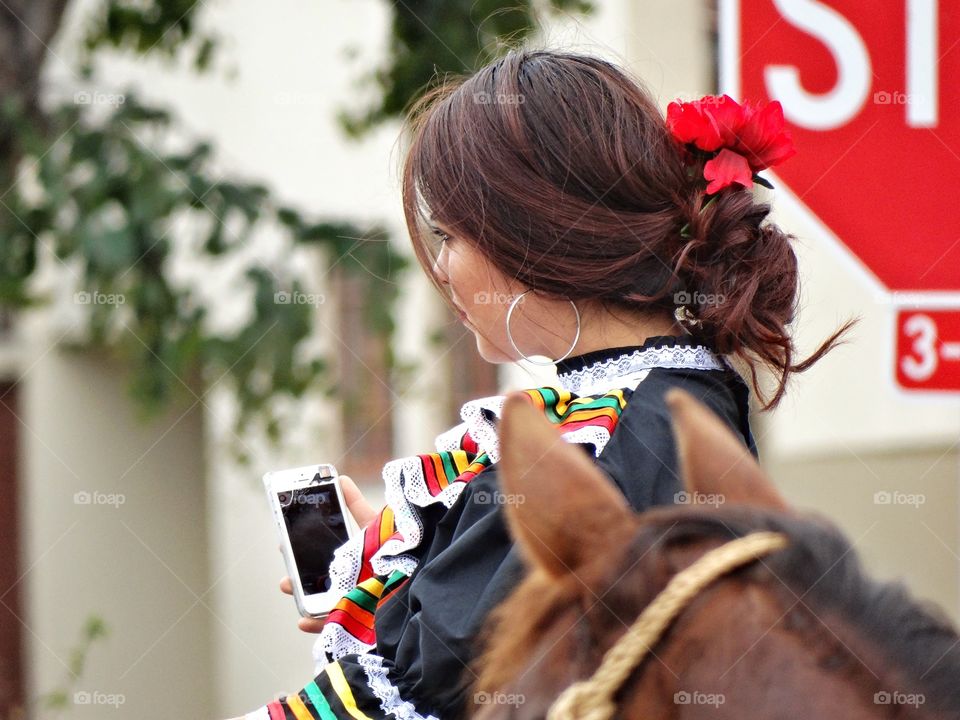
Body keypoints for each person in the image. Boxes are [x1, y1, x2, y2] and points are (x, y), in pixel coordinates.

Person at [233, 48, 848, 720]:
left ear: (532, 233)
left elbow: (433, 690)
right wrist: (418, 557)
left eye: (449, 233)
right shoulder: (668, 403)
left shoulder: (598, 445)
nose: (439, 269)